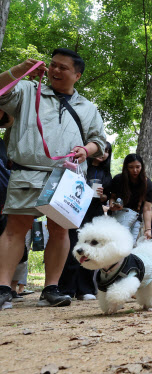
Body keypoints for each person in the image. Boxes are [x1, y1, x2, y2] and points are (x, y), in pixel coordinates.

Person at [0, 49, 106, 308]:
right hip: (27, 170)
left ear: (77, 75)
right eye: (53, 65)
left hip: (66, 176)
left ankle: (51, 288)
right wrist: (19, 70)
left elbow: (98, 141)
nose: (55, 71)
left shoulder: (88, 107)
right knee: (15, 229)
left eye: (63, 68)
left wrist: (86, 150)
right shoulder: (26, 90)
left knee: (60, 232)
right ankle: (3, 288)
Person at [58, 141, 113, 300]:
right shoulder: (81, 166)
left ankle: (86, 289)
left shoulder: (107, 174)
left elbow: (107, 199)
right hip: (76, 210)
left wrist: (103, 197)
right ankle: (66, 288)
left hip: (94, 213)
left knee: (91, 249)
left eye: (107, 152)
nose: (104, 154)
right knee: (73, 247)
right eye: (102, 150)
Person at [105, 154, 152, 244]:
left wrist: (148, 229)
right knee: (115, 244)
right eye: (131, 167)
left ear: (142, 167)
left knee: (129, 246)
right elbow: (112, 197)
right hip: (117, 217)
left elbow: (147, 209)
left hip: (135, 220)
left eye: (138, 167)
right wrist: (112, 205)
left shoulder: (148, 185)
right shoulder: (118, 179)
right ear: (126, 167)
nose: (135, 170)